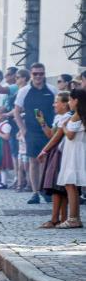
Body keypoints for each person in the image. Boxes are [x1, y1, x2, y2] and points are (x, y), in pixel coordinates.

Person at [14, 62, 57, 204]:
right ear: (31, 75)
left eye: (41, 73)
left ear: (45, 74)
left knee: (47, 161)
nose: (38, 76)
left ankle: (45, 190)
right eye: (35, 74)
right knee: (33, 161)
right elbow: (16, 112)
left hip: (49, 131)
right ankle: (35, 193)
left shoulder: (52, 90)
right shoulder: (24, 91)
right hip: (31, 131)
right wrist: (23, 129)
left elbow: (58, 109)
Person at [36, 91, 72, 228]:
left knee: (57, 187)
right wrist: (42, 122)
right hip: (55, 152)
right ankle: (61, 218)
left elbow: (56, 138)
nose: (54, 104)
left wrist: (44, 150)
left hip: (61, 153)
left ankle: (56, 218)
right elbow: (51, 135)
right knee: (59, 187)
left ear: (65, 104)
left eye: (57, 101)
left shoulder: (67, 117)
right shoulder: (59, 117)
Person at [55, 88, 86, 229]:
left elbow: (70, 135)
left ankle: (73, 218)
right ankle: (75, 217)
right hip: (78, 150)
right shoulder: (80, 115)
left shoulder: (77, 115)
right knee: (73, 184)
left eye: (70, 100)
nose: (69, 103)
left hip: (74, 153)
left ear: (76, 101)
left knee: (70, 184)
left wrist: (64, 126)